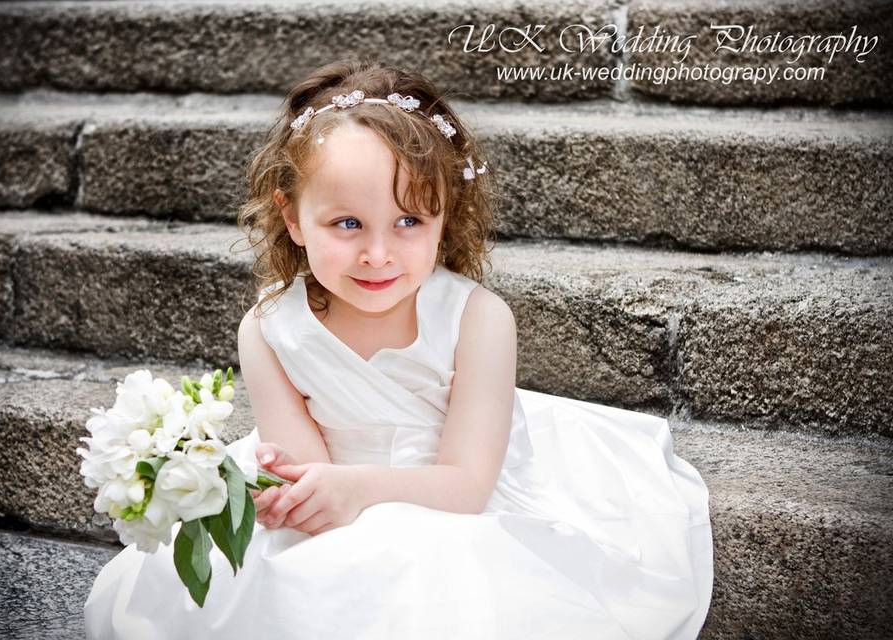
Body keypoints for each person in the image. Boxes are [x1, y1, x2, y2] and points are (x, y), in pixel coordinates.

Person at [84, 59, 713, 639]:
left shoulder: (478, 319)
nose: (378, 254)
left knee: (433, 579)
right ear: (294, 217)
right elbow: (308, 473)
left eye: (409, 221)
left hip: (450, 497)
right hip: (336, 494)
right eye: (347, 223)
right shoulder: (270, 327)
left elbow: (466, 486)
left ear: (445, 216)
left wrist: (356, 489)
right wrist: (289, 493)